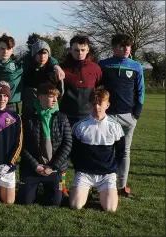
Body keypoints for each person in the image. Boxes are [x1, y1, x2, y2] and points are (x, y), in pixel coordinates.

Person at [98, 34, 144, 198]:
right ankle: (104, 185)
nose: (126, 49)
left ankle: (122, 186)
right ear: (114, 48)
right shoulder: (103, 65)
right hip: (107, 117)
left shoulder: (136, 66)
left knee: (125, 152)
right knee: (105, 150)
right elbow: (96, 89)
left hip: (127, 117)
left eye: (128, 46)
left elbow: (140, 91)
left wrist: (136, 114)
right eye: (121, 46)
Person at [0, 34, 64, 113]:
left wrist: (56, 66)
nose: (5, 51)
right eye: (2, 48)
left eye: (8, 48)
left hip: (11, 106)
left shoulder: (20, 64)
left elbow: (41, 56)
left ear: (12, 50)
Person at [17, 83, 72, 206]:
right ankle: (34, 186)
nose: (55, 100)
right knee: (25, 201)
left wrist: (53, 166)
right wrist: (36, 166)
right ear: (41, 98)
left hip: (53, 168)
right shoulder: (27, 118)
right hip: (33, 168)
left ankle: (48, 186)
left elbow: (67, 144)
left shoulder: (62, 118)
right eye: (51, 96)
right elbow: (21, 145)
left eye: (56, 97)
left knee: (55, 203)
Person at [70, 88, 124, 212]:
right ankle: (85, 191)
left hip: (106, 174)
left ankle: (103, 191)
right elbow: (74, 151)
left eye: (100, 103)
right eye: (94, 103)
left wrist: (113, 168)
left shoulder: (115, 126)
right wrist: (79, 167)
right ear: (89, 104)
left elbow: (121, 151)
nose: (97, 107)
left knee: (110, 209)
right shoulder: (80, 126)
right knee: (75, 205)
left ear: (107, 105)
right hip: (85, 173)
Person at [60, 35, 102, 125]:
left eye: (83, 50)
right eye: (76, 50)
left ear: (88, 50)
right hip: (66, 117)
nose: (80, 53)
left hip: (89, 118)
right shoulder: (62, 69)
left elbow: (100, 91)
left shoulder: (96, 68)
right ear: (70, 50)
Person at [21, 39, 63, 116]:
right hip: (31, 109)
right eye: (39, 53)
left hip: (50, 110)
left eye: (45, 53)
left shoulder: (54, 71)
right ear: (34, 54)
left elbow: (60, 91)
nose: (42, 56)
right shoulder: (27, 69)